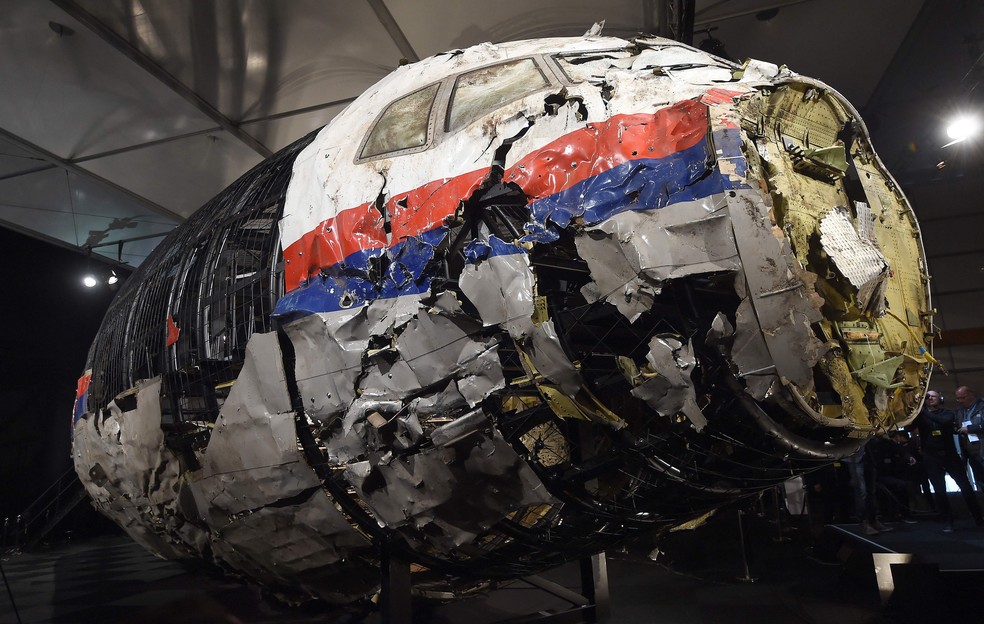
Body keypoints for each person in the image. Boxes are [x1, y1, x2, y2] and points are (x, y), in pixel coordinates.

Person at [910, 390, 984, 532]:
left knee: (966, 487)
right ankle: (947, 521)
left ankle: (977, 517)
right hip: (931, 458)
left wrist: (922, 412)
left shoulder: (948, 413)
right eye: (927, 397)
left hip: (950, 456)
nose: (930, 398)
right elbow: (908, 427)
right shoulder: (921, 416)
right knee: (939, 491)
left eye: (933, 396)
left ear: (940, 399)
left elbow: (945, 421)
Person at [955, 386, 984, 487]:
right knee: (980, 479)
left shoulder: (982, 406)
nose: (960, 401)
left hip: (982, 447)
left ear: (971, 395)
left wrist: (971, 429)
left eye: (962, 398)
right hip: (971, 451)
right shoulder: (960, 411)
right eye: (958, 398)